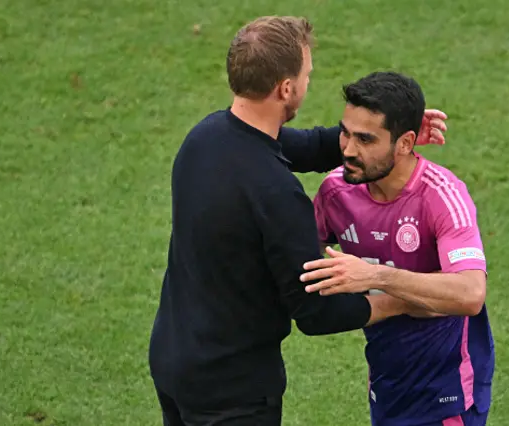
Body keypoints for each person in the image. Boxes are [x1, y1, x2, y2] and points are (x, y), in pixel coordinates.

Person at [148, 17, 449, 426]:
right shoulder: (277, 193)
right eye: (307, 74)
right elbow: (315, 313)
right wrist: (403, 301)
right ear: (286, 88)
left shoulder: (205, 138)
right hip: (233, 394)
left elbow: (302, 146)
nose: (309, 82)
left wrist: (386, 134)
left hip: (173, 362)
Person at [301, 71, 494, 426]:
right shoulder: (335, 193)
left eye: (365, 139)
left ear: (405, 143)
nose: (347, 149)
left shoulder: (441, 196)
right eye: (345, 132)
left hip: (448, 391)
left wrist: (375, 276)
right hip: (387, 380)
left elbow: (470, 293)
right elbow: (302, 266)